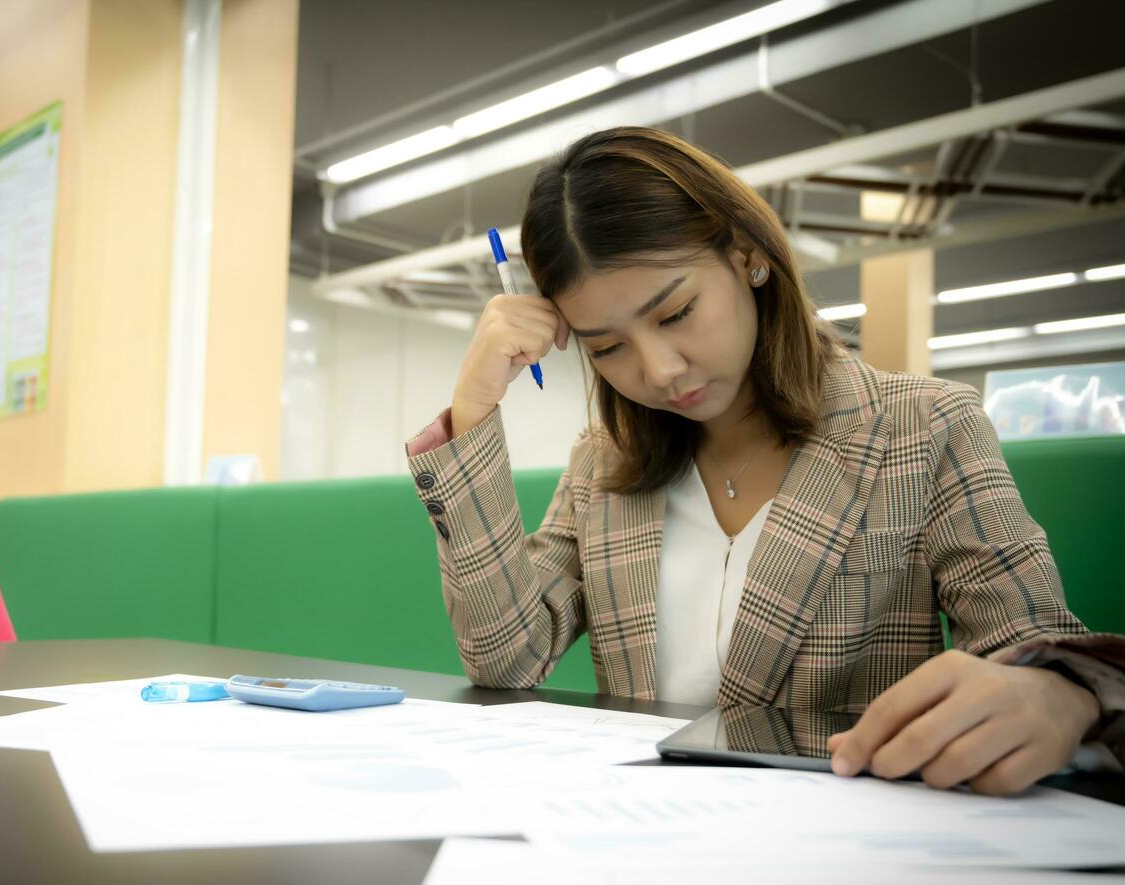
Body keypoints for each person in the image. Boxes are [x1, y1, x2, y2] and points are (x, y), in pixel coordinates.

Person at [405, 127, 1123, 795]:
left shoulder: (924, 430)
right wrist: (473, 410)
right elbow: (507, 657)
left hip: (843, 856)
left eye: (676, 313)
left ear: (747, 255)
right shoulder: (606, 462)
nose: (658, 370)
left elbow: (1026, 649)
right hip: (636, 833)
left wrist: (1061, 691)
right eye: (606, 348)